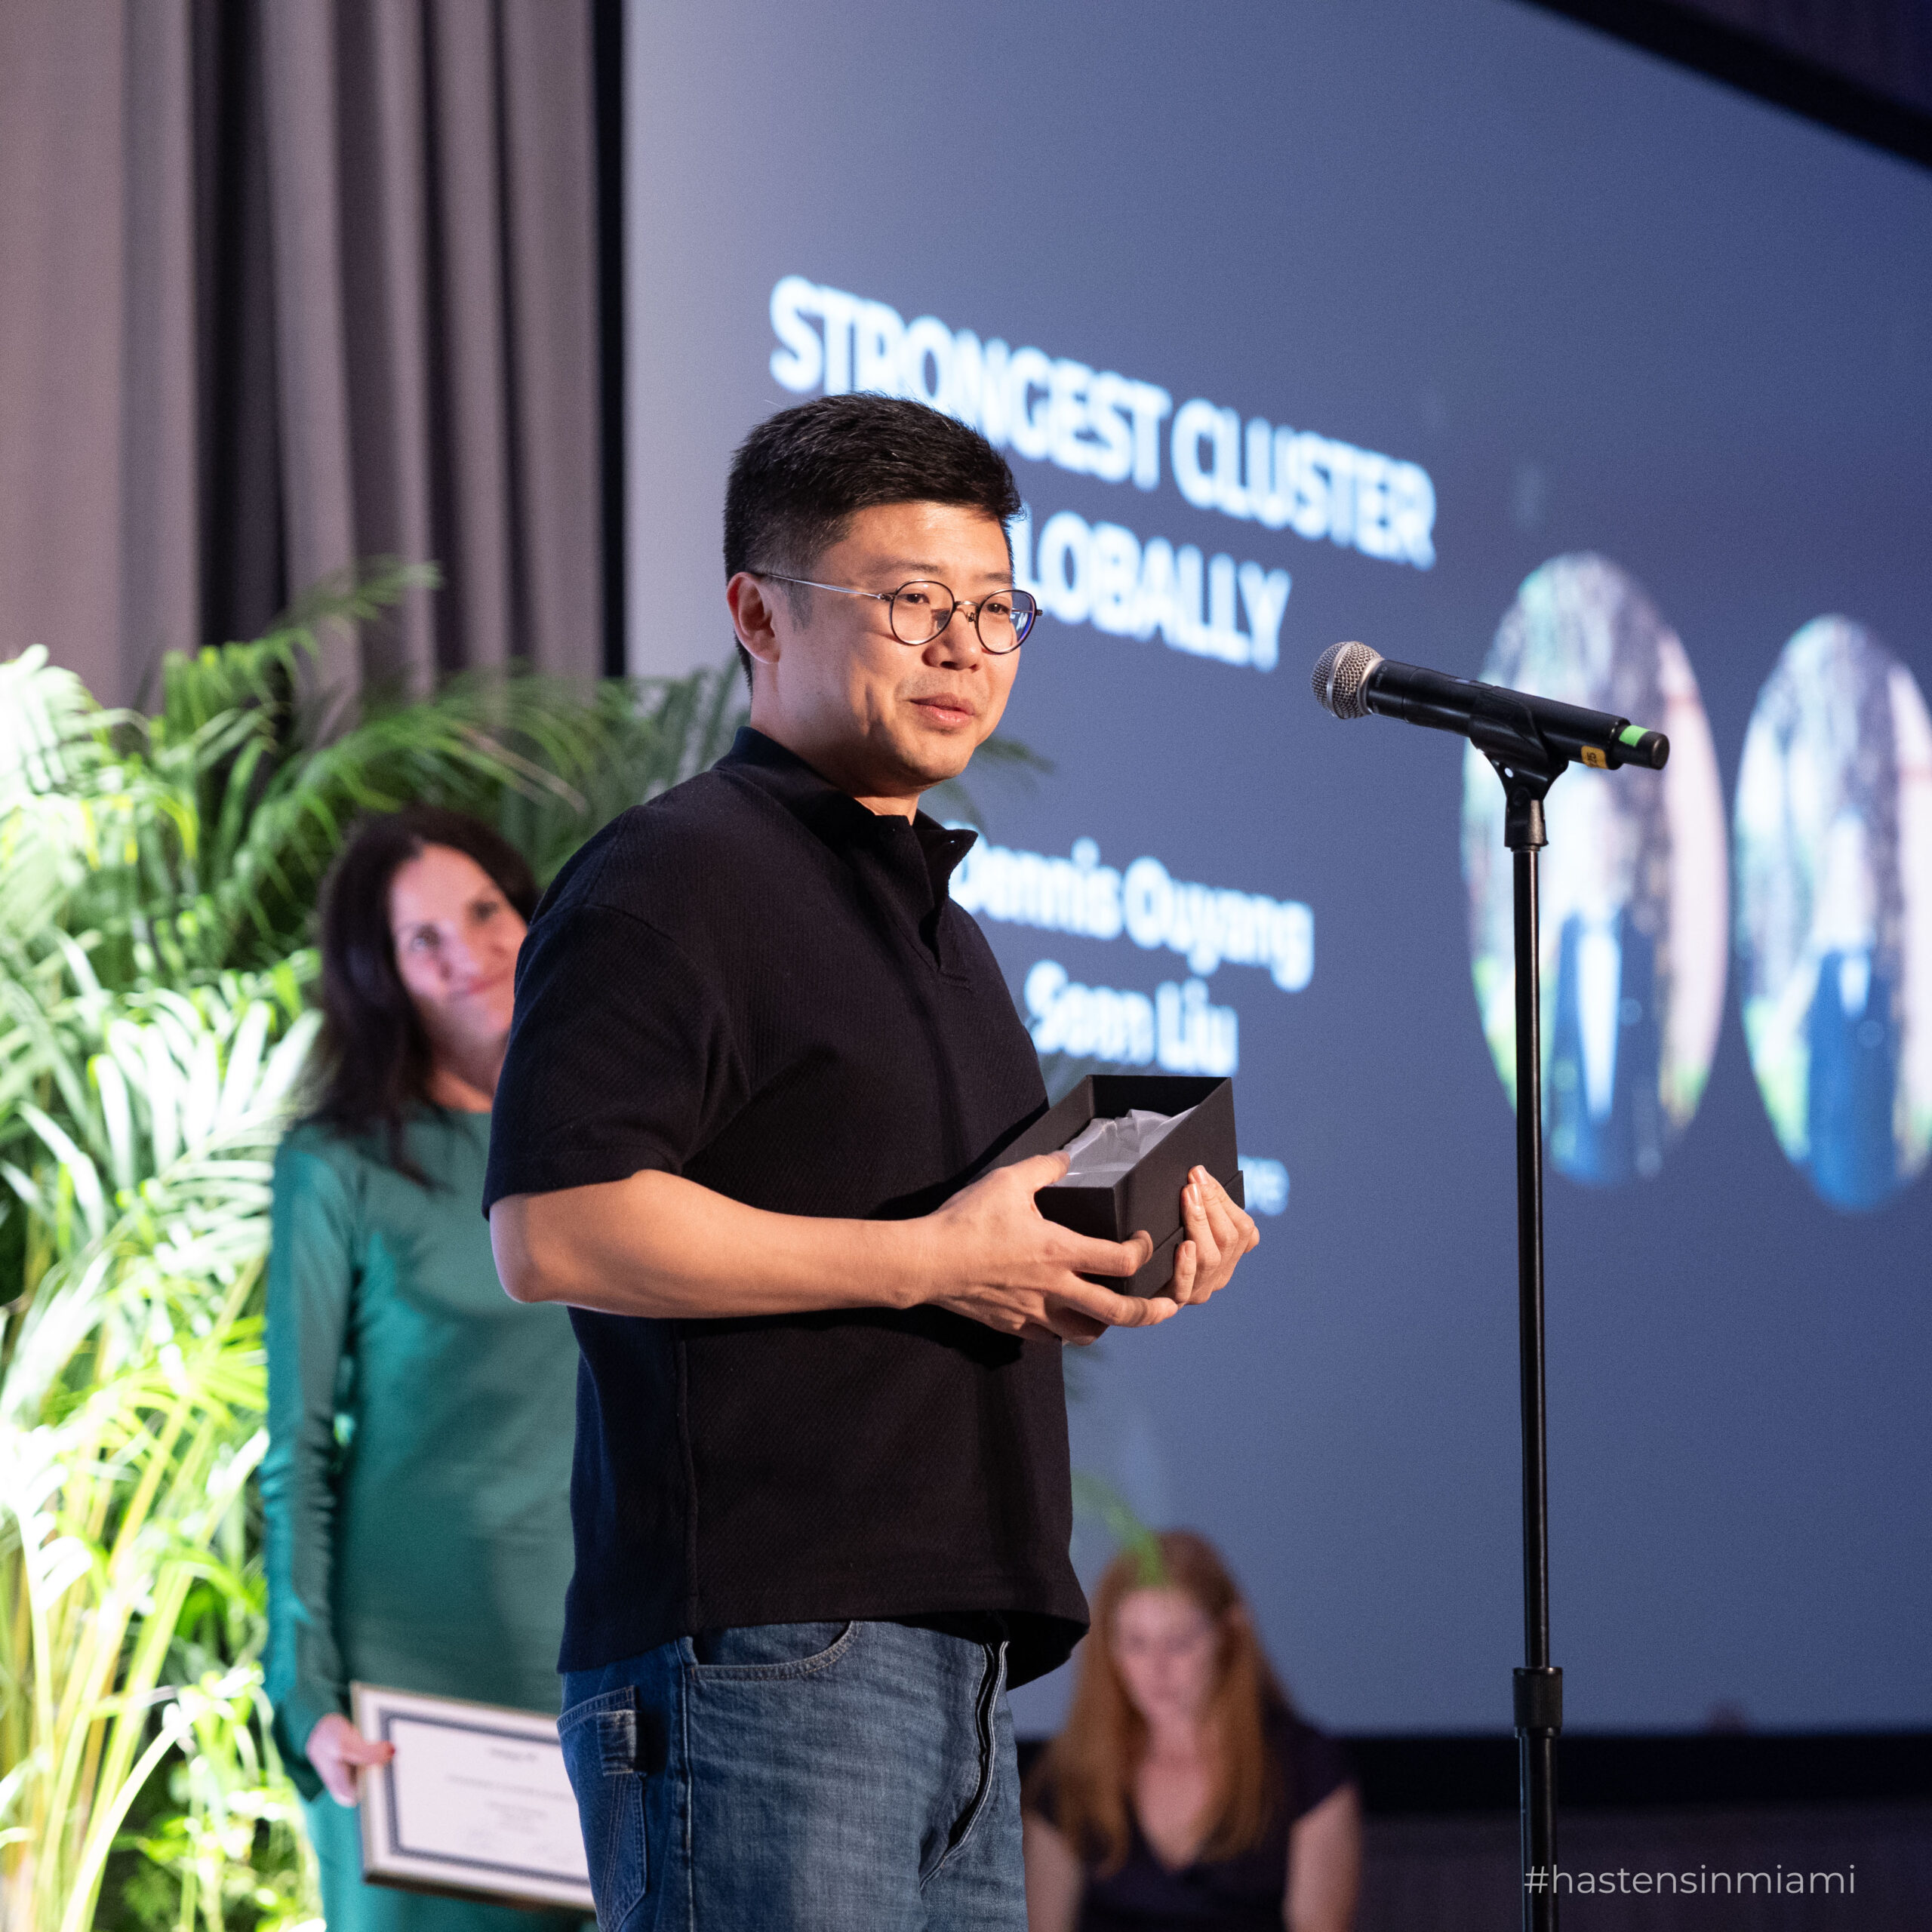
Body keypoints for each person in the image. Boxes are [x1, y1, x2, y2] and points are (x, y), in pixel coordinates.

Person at [484, 392, 1260, 1931]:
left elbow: (950, 1266)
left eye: (996, 608)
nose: (965, 649)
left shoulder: (943, 935)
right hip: (763, 1651)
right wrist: (931, 1256)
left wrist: (1099, 1276)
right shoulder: (674, 873)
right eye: (912, 602)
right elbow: (555, 1228)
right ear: (756, 614)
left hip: (952, 1665)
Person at [261, 807, 585, 1932]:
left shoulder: (614, 1151)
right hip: (404, 1679)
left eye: (485, 912)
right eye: (422, 940)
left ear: (529, 912)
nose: (468, 954)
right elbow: (297, 1449)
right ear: (382, 977)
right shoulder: (335, 1164)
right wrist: (304, 1691)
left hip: (602, 1659)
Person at [1022, 1532, 1361, 1932]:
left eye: (1180, 1642)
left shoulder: (1306, 1766)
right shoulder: (1070, 1772)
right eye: (1136, 1643)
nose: (1157, 1668)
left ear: (1229, 1632)